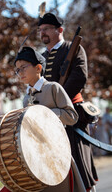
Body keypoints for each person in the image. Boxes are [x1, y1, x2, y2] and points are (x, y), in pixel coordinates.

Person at [38, 13, 98, 191]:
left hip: (72, 114)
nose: (43, 33)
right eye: (40, 30)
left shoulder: (72, 48)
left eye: (47, 29)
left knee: (79, 164)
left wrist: (58, 103)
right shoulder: (40, 58)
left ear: (60, 30)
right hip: (48, 118)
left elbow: (79, 78)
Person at [14, 46, 86, 192]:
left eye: (23, 67)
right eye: (17, 70)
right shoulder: (26, 98)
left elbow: (71, 116)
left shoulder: (53, 88)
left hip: (57, 153)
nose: (19, 72)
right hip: (37, 158)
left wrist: (45, 114)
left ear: (38, 68)